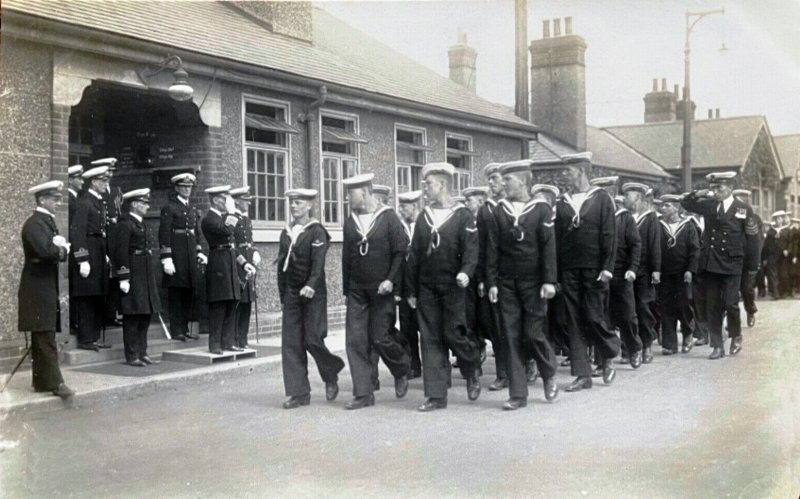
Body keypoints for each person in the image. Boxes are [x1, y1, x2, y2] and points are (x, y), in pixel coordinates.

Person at [407, 163, 482, 411]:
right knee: (429, 338)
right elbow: (415, 255)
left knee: (453, 334)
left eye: (428, 184)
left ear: (442, 184)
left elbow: (472, 250)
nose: (425, 189)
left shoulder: (462, 216)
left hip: (453, 285)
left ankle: (471, 368)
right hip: (427, 286)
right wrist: (411, 291)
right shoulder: (424, 217)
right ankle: (436, 395)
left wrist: (466, 272)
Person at [486, 166, 559, 410]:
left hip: (534, 283)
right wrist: (492, 282)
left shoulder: (541, 209)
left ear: (523, 182)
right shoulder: (499, 210)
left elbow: (548, 247)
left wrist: (549, 281)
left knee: (532, 333)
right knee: (510, 336)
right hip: (507, 282)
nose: (503, 184)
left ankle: (548, 372)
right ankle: (518, 393)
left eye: (508, 179)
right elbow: (492, 248)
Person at [341, 173, 411, 410]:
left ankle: (402, 368)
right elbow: (346, 257)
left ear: (366, 192)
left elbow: (400, 252)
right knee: (355, 340)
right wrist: (347, 289)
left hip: (382, 290)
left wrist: (391, 280)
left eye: (351, 193)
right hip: (357, 290)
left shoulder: (389, 218)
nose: (348, 198)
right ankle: (363, 393)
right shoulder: (350, 221)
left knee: (380, 337)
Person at [554, 155, 619, 392]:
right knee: (573, 319)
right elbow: (557, 239)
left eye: (569, 171)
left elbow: (610, 236)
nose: (565, 175)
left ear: (581, 171)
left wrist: (607, 268)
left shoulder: (601, 199)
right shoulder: (562, 202)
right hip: (570, 268)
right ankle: (583, 374)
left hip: (595, 269)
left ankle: (609, 351)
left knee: (593, 316)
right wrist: (557, 274)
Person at [680, 172, 760, 359]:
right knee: (713, 305)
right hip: (712, 262)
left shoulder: (743, 209)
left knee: (731, 303)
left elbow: (752, 239)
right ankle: (717, 345)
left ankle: (735, 335)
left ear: (730, 188)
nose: (715, 192)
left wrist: (753, 266)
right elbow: (686, 203)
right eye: (713, 188)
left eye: (719, 188)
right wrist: (699, 193)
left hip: (733, 262)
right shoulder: (709, 205)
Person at [278, 189, 345, 409]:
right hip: (292, 293)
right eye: (292, 203)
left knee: (312, 339)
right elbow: (282, 266)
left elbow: (318, 265)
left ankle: (331, 372)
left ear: (309, 206)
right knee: (291, 343)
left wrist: (310, 285)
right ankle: (299, 393)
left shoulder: (317, 232)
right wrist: (283, 294)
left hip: (313, 293)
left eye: (298, 203)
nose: (294, 206)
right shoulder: (286, 232)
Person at [18, 180, 74, 398]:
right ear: (42, 200)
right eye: (54, 199)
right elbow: (44, 251)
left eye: (59, 198)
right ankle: (56, 384)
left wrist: (58, 248)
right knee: (45, 336)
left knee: (44, 334)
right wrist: (61, 249)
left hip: (42, 285)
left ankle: (42, 381)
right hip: (36, 288)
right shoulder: (34, 224)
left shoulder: (45, 222)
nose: (58, 203)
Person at [201, 185, 256, 354]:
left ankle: (228, 341)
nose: (227, 202)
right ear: (216, 200)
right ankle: (215, 344)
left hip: (230, 259)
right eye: (225, 199)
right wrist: (232, 214)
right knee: (219, 304)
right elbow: (225, 231)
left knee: (232, 302)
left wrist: (243, 263)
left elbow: (231, 246)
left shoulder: (223, 217)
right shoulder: (209, 219)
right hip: (218, 261)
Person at [110, 188, 161, 367]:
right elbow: (120, 252)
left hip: (145, 273)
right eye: (144, 203)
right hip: (133, 273)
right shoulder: (125, 225)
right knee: (132, 316)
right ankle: (132, 355)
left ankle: (142, 351)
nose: (147, 206)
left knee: (145, 314)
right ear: (134, 205)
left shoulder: (141, 224)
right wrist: (123, 277)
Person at [159, 173, 205, 342]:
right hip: (177, 255)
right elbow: (164, 234)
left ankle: (184, 328)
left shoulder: (191, 208)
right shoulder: (170, 208)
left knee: (188, 293)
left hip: (190, 255)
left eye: (189, 187)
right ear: (177, 188)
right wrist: (166, 258)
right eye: (184, 187)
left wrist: (199, 251)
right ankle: (176, 329)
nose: (187, 190)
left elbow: (196, 232)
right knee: (176, 294)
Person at [70, 166, 112, 351]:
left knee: (97, 293)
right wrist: (82, 258)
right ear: (94, 182)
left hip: (99, 249)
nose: (106, 184)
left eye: (107, 181)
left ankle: (94, 337)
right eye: (103, 181)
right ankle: (86, 338)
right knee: (87, 295)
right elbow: (78, 231)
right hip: (89, 249)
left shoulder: (98, 202)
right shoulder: (84, 202)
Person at [476, 163, 510, 391]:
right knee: (498, 326)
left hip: (517, 274)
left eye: (495, 178)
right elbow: (480, 246)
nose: (491, 183)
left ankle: (527, 362)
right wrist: (482, 278)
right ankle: (503, 374)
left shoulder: (514, 207)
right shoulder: (485, 210)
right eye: (489, 179)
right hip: (493, 275)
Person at [603, 184, 643, 369]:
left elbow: (635, 245)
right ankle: (606, 357)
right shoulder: (597, 217)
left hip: (621, 273)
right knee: (604, 317)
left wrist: (632, 269)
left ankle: (633, 349)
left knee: (627, 316)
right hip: (602, 273)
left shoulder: (624, 218)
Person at [622, 182, 661, 365]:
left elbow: (655, 245)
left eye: (628, 196)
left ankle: (646, 345)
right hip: (625, 269)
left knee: (643, 308)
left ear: (638, 197)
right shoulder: (623, 217)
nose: (625, 199)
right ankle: (629, 348)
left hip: (644, 270)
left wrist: (656, 269)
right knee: (627, 310)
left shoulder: (650, 218)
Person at [657, 194, 700, 355]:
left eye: (667, 205)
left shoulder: (688, 225)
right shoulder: (659, 224)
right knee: (666, 305)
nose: (663, 208)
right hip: (665, 272)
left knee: (683, 304)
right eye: (662, 205)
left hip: (683, 272)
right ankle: (670, 343)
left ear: (676, 207)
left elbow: (695, 250)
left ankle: (688, 334)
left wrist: (690, 270)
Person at [396, 189, 423, 379]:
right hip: (406, 286)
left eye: (404, 207)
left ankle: (437, 366)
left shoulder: (425, 225)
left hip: (424, 285)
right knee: (407, 328)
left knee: (430, 328)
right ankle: (414, 365)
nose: (401, 211)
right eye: (400, 206)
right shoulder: (399, 228)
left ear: (414, 207)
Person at [230, 186, 259, 349]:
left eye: (248, 201)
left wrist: (254, 252)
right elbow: (232, 244)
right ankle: (234, 339)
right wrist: (243, 261)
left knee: (247, 301)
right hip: (238, 262)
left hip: (249, 260)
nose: (247, 204)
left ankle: (243, 339)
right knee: (239, 302)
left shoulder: (247, 220)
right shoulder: (231, 218)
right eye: (244, 201)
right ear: (236, 201)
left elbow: (250, 241)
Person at [732, 189, 762, 327]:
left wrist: (755, 263)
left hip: (747, 260)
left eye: (744, 199)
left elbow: (757, 242)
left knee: (746, 289)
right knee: (730, 291)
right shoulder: (728, 217)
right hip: (731, 259)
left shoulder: (755, 219)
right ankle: (732, 320)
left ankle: (750, 311)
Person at [67, 164, 83, 335]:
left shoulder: (76, 198)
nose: (81, 181)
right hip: (72, 248)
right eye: (78, 178)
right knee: (73, 285)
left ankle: (76, 320)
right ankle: (73, 321)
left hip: (76, 248)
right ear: (70, 180)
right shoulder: (69, 200)